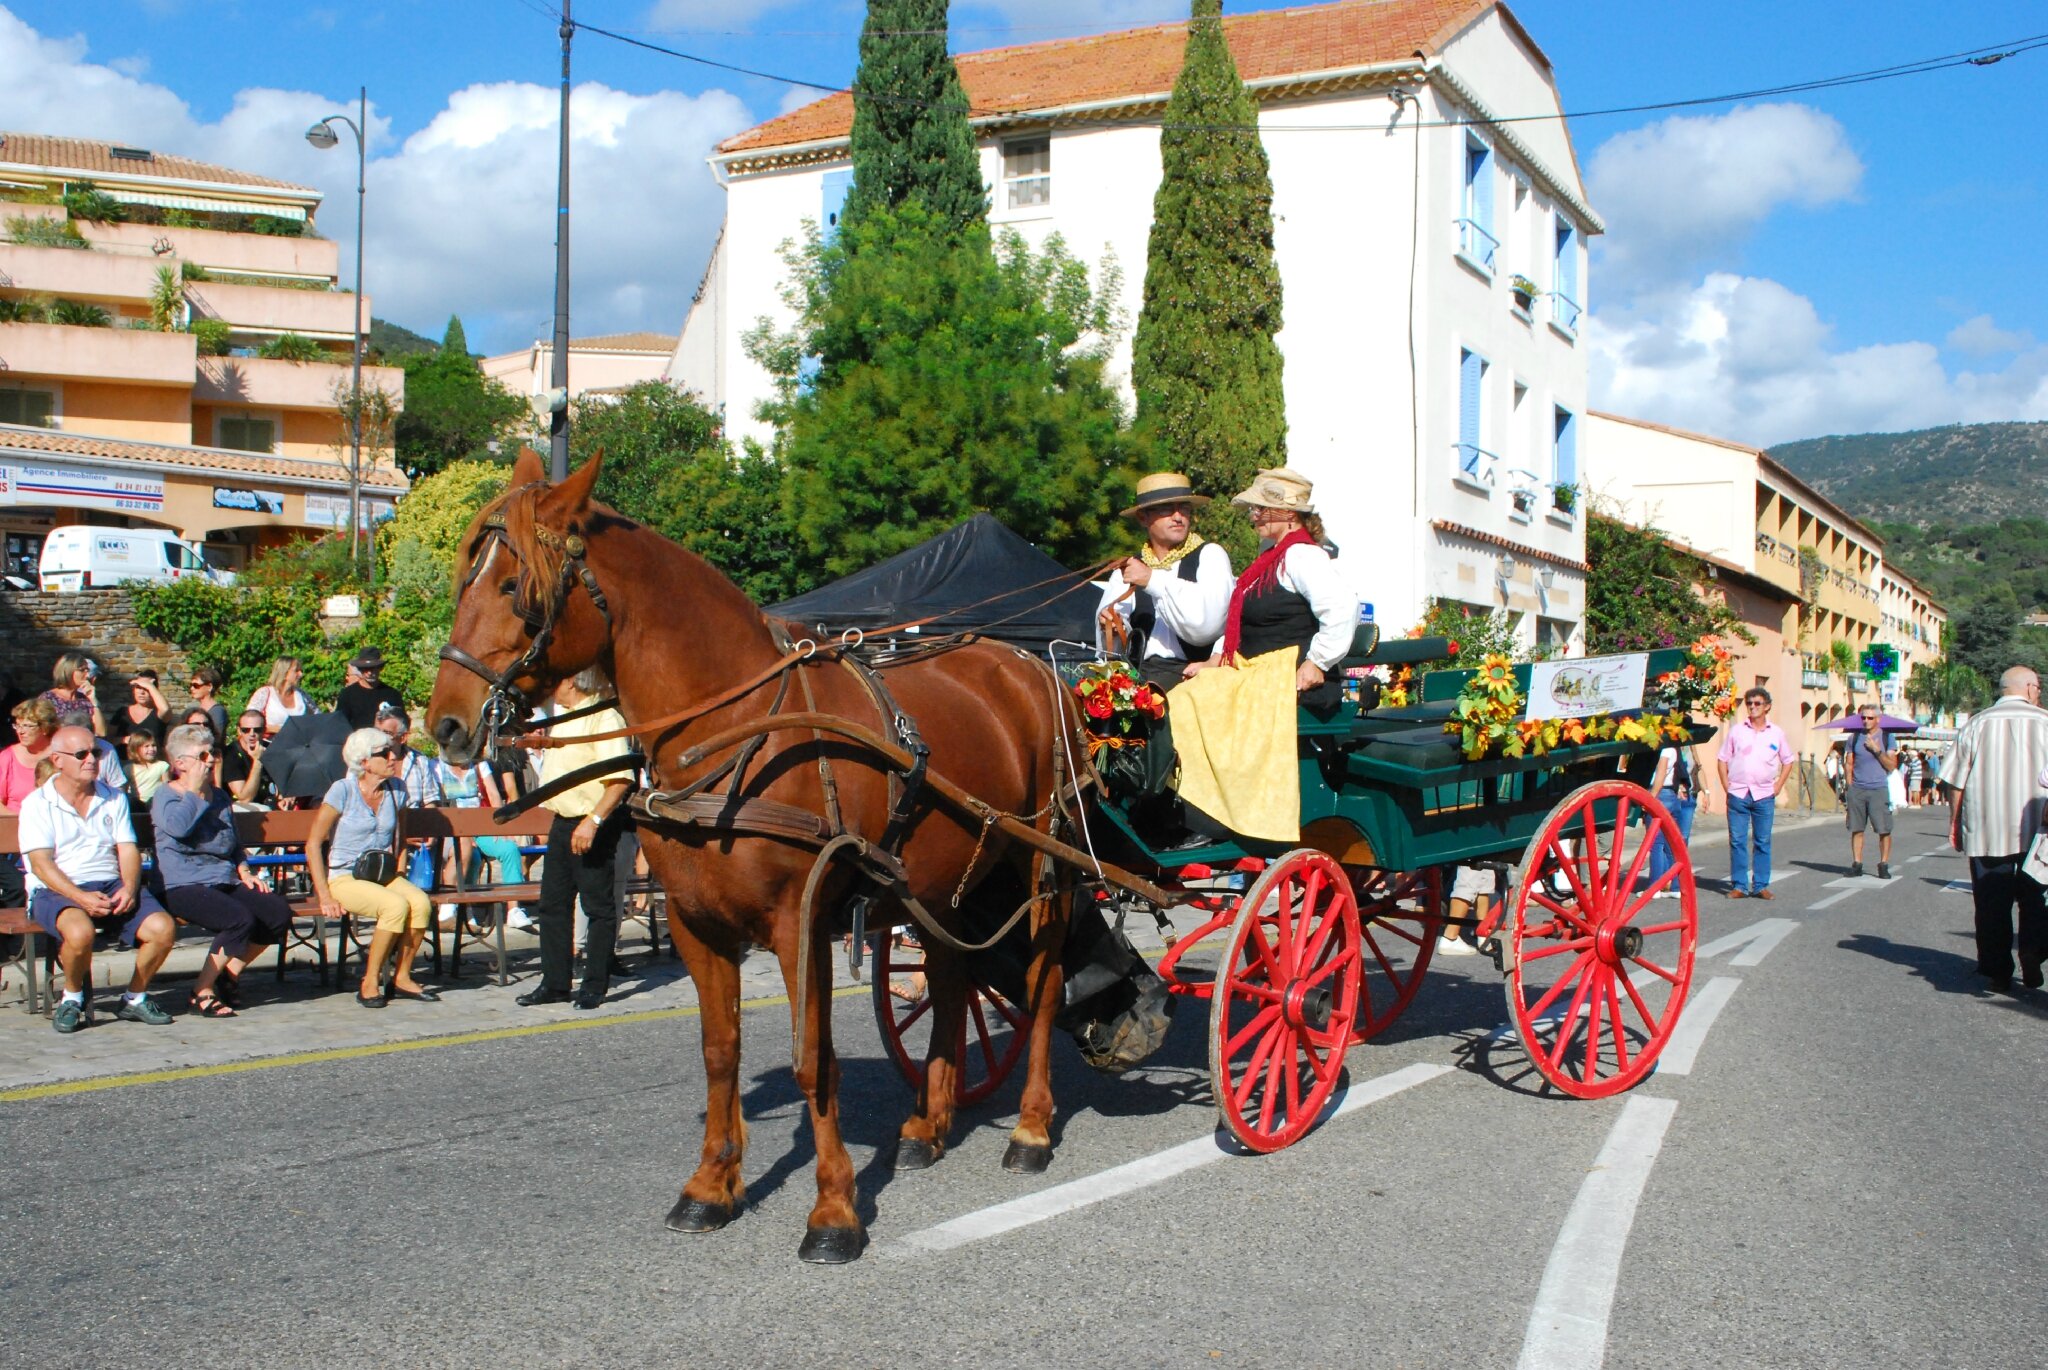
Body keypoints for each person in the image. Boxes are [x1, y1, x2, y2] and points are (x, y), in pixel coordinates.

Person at [1169, 468, 1358, 842]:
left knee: (1199, 705)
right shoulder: (1269, 560)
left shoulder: (1303, 557)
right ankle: (1206, 808)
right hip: (1255, 670)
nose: (1253, 516)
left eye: (1261, 509)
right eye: (1254, 509)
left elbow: (1342, 609)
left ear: (1289, 515)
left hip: (1285, 674)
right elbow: (1240, 623)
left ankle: (1220, 818)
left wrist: (1317, 662)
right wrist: (1214, 660)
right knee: (1178, 700)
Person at [22, 725, 176, 1032]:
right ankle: (72, 997)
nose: (92, 759)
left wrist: (130, 888)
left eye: (96, 752)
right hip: (57, 886)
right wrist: (80, 898)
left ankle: (134, 997)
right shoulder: (38, 803)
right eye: (82, 754)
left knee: (163, 928)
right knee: (80, 934)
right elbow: (41, 864)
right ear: (58, 760)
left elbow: (127, 850)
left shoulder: (113, 797)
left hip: (109, 883)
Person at [151, 724, 294, 1019]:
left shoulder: (218, 797)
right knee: (238, 919)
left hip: (222, 878)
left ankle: (228, 973)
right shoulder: (167, 796)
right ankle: (201, 991)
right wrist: (194, 792)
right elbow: (178, 828)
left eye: (212, 753)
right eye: (202, 755)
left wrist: (245, 871)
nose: (211, 760)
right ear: (180, 764)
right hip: (182, 884)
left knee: (276, 912)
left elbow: (233, 843)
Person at [517, 670, 634, 1011]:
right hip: (562, 821)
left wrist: (593, 821)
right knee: (552, 905)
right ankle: (555, 983)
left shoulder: (602, 716)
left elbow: (619, 779)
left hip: (591, 823)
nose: (547, 687)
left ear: (569, 681)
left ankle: (594, 985)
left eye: (551, 680)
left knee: (597, 906)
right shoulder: (564, 718)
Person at [306, 727, 437, 1008]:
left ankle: (401, 976)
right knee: (394, 906)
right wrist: (324, 895)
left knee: (420, 902)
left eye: (394, 751)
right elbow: (313, 843)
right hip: (345, 877)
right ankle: (370, 980)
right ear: (364, 762)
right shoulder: (342, 790)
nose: (393, 757)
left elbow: (400, 838)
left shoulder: (397, 790)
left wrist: (401, 873)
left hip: (383, 874)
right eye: (384, 753)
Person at [1943, 667, 2048, 992]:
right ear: (2030, 688)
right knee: (2037, 897)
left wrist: (1955, 822)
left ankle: (1998, 970)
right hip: (2038, 830)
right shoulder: (2046, 721)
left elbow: (1955, 780)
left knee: (1991, 902)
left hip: (1988, 828)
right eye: (2039, 687)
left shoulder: (1977, 723)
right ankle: (2032, 949)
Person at [1094, 472, 1233, 695]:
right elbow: (1111, 651)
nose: (1178, 517)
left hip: (1193, 677)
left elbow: (1207, 626)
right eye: (1167, 509)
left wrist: (1152, 580)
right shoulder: (1128, 568)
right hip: (1138, 677)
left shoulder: (1210, 556)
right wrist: (1109, 624)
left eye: (1184, 508)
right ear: (1143, 518)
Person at [1717, 687, 1792, 899]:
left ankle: (1760, 885)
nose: (1752, 707)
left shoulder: (1776, 733)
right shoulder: (1737, 731)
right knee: (1737, 840)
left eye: (1757, 703)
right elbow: (1722, 759)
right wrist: (1726, 786)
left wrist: (1778, 786)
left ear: (1767, 706)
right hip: (1738, 793)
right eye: (1749, 703)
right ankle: (1740, 885)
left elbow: (1788, 760)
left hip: (1764, 795)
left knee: (1762, 841)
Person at [1646, 737, 1709, 898]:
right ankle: (1675, 886)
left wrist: (1651, 796)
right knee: (1673, 843)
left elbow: (1661, 772)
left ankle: (1656, 886)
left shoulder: (1666, 749)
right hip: (1673, 795)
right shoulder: (1675, 750)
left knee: (1656, 843)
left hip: (1663, 793)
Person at [1844, 704, 1900, 879]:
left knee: (1884, 829)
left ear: (1878, 719)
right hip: (1858, 789)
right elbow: (1849, 762)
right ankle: (1857, 863)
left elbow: (1891, 766)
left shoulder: (1887, 738)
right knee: (1856, 828)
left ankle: (1883, 864)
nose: (1866, 721)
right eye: (1863, 717)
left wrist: (1877, 750)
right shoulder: (1854, 738)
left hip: (1878, 788)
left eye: (1870, 718)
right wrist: (1849, 785)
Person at [221, 709, 277, 808]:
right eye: (246, 730)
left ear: (264, 730)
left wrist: (286, 798)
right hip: (240, 809)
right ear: (239, 730)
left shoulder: (272, 750)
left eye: (257, 730)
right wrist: (258, 761)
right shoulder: (230, 755)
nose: (252, 734)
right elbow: (244, 798)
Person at [337, 648, 404, 730]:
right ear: (360, 669)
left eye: (373, 668)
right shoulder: (347, 695)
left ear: (380, 668)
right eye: (365, 668)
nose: (369, 673)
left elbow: (401, 723)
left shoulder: (392, 695)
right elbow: (339, 723)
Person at [246, 656, 309, 739]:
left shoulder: (301, 695)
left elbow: (317, 717)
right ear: (284, 673)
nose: (301, 674)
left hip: (298, 746)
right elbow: (248, 722)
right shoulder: (265, 693)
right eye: (296, 671)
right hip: (270, 745)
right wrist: (279, 729)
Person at [41, 652, 103, 735]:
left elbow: (101, 733)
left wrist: (94, 701)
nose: (87, 675)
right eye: (82, 670)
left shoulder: (84, 699)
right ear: (68, 671)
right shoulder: (48, 699)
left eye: (87, 670)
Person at [105, 669, 168, 751]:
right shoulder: (122, 712)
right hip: (124, 760)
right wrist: (123, 739)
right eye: (138, 687)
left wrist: (150, 686)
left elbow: (165, 709)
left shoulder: (159, 713)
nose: (142, 692)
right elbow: (108, 739)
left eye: (145, 688)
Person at [123, 731, 168, 805]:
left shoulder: (162, 766)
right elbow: (124, 790)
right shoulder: (129, 768)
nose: (151, 749)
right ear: (136, 749)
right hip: (136, 803)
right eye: (146, 746)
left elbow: (167, 788)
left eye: (153, 745)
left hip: (155, 802)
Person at [186, 665, 228, 740]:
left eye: (196, 685)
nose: (192, 688)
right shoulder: (199, 709)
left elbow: (217, 738)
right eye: (191, 685)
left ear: (209, 687)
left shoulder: (217, 711)